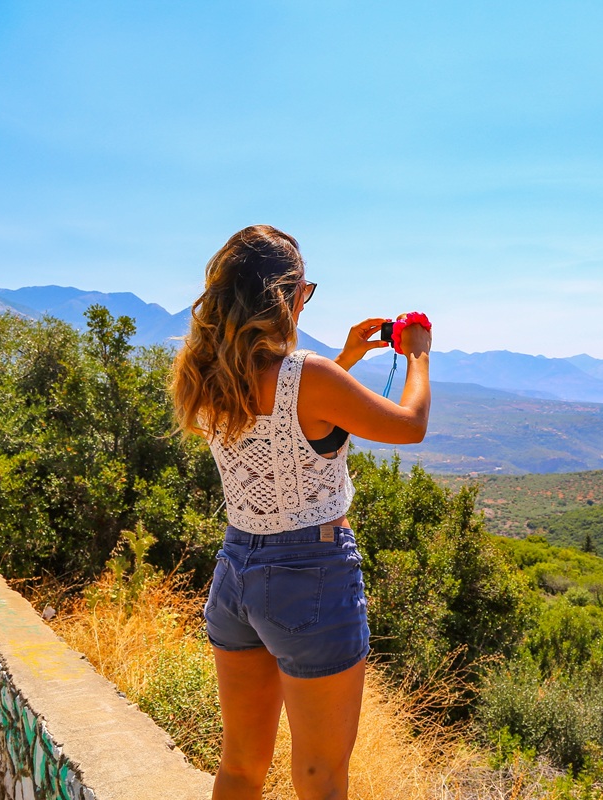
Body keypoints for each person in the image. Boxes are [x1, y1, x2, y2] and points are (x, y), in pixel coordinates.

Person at [169, 224, 431, 800]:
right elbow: (410, 426)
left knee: (240, 765)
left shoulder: (212, 377)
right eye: (303, 292)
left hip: (236, 570)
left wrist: (346, 360)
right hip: (312, 575)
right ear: (282, 296)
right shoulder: (307, 376)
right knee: (319, 775)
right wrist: (417, 357)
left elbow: (284, 421)